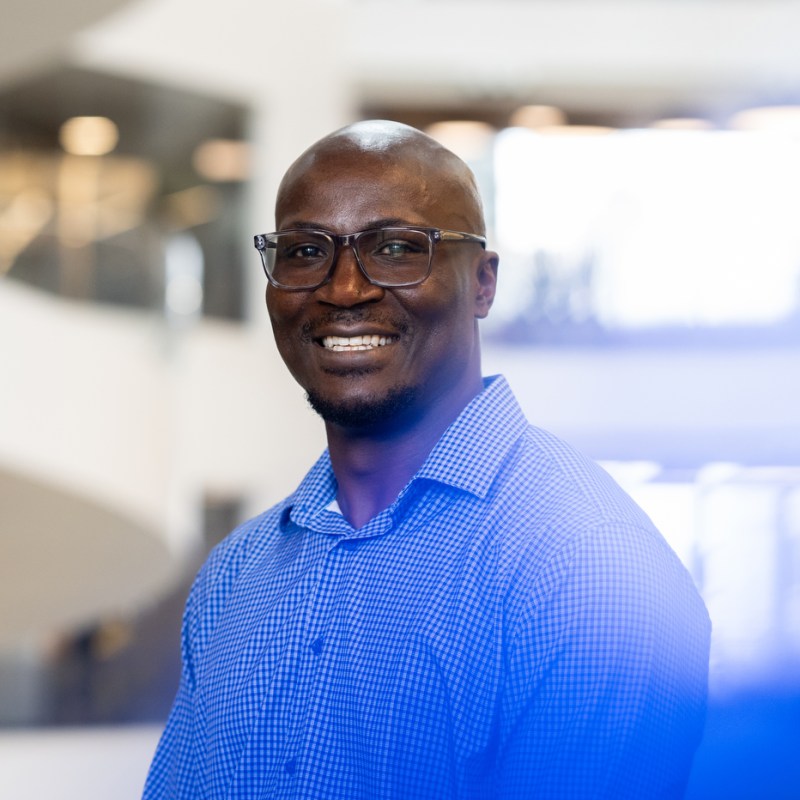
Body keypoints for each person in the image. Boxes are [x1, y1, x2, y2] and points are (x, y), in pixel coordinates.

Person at [144, 120, 710, 799]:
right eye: (303, 252)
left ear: (482, 283)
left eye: (395, 248)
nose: (344, 290)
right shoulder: (237, 576)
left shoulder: (593, 572)